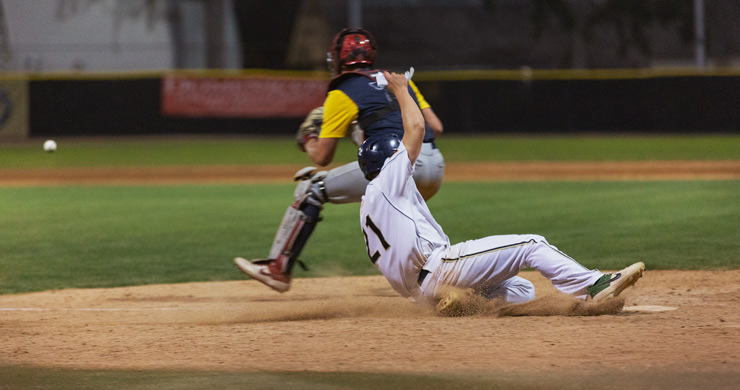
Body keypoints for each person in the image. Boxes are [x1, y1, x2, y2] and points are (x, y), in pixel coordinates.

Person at [357, 71, 645, 314]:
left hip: (420, 291)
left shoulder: (368, 205)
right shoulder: (388, 177)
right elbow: (417, 127)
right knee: (531, 244)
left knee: (523, 290)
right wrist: (401, 90)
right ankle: (595, 286)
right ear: (388, 159)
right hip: (441, 268)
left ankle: (460, 303)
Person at [235, 28, 445, 293]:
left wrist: (309, 139)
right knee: (402, 215)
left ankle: (278, 267)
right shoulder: (398, 79)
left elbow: (323, 157)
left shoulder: (342, 90)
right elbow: (435, 126)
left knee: (312, 188)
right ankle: (440, 275)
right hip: (434, 166)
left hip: (400, 166)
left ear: (337, 58)